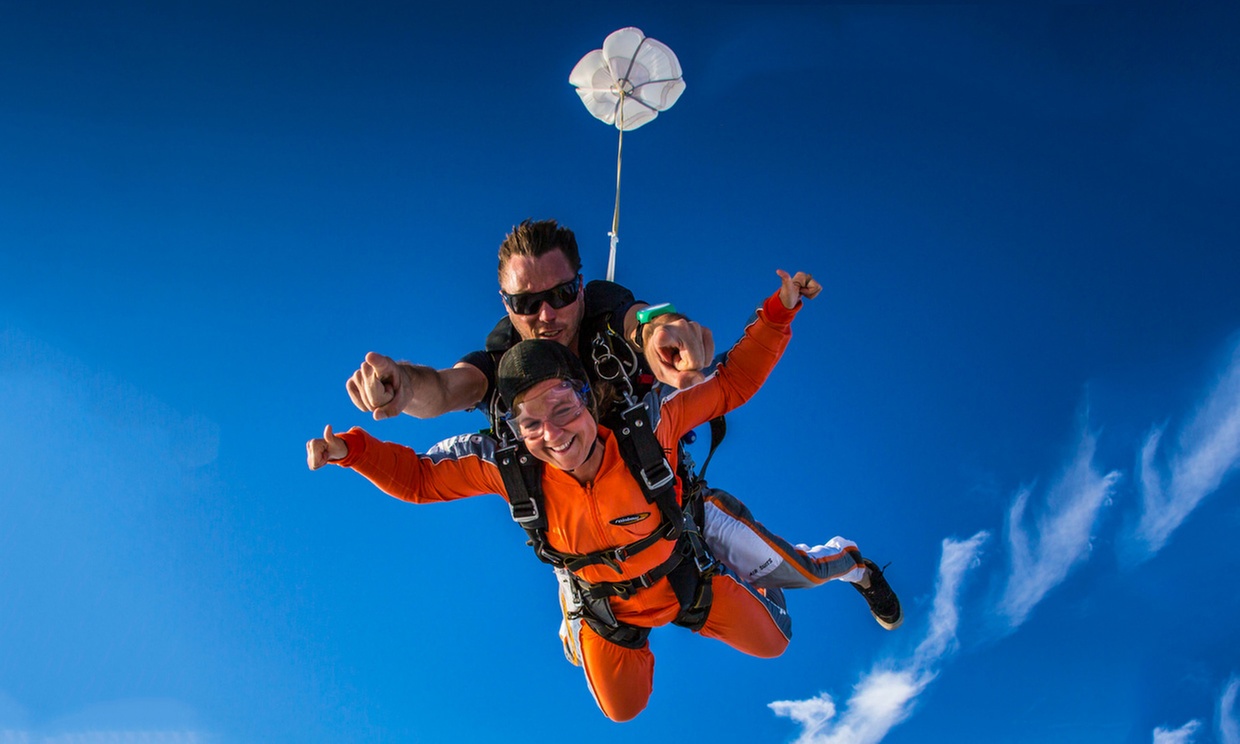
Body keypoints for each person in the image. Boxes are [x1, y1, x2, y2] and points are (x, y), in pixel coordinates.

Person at [310, 270, 831, 720]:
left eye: (563, 408)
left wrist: (776, 314)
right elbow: (424, 476)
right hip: (610, 603)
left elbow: (732, 383)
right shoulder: (510, 466)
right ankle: (576, 598)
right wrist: (352, 451)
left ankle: (840, 561)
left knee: (775, 640)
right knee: (622, 711)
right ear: (513, 430)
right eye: (531, 423)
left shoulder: (647, 424)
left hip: (682, 568)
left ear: (589, 400)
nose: (555, 434)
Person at [344, 219, 900, 629]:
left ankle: (855, 566)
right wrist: (403, 384)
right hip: (579, 528)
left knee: (794, 576)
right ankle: (574, 581)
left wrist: (666, 332)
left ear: (582, 287)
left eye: (561, 295)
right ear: (505, 302)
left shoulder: (609, 323)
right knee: (619, 703)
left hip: (668, 498)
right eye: (526, 301)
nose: (546, 316)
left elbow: (647, 324)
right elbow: (445, 388)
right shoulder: (503, 364)